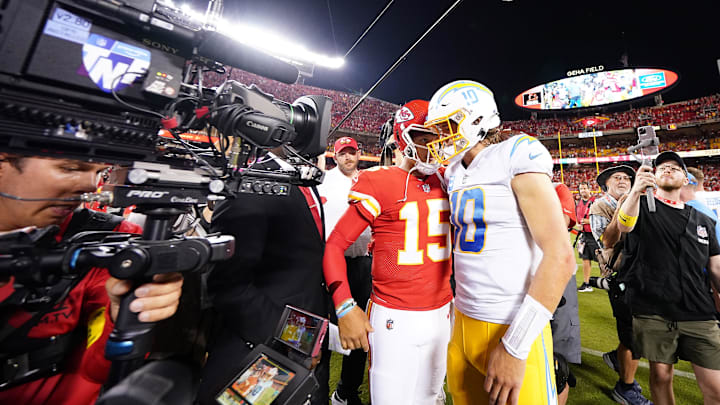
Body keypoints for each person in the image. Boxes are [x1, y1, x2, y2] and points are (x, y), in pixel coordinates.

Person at [424, 80, 575, 405]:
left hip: (508, 325)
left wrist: (515, 346)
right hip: (462, 321)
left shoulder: (516, 153)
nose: (441, 137)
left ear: (477, 120)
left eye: (448, 126)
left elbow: (561, 257)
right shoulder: (453, 171)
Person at [0, 155, 184, 405]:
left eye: (100, 171)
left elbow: (97, 370)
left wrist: (124, 318)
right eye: (70, 168)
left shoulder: (114, 242)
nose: (91, 185)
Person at [324, 100, 453, 405]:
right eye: (426, 138)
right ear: (404, 138)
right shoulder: (378, 181)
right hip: (395, 316)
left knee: (431, 398)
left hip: (441, 314)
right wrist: (344, 305)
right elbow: (334, 245)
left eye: (439, 138)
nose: (435, 147)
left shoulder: (450, 179)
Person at [197, 148, 330, 405]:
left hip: (304, 338)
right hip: (264, 343)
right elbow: (226, 284)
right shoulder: (253, 181)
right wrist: (295, 339)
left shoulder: (303, 176)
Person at [616, 151, 720, 405]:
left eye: (675, 167)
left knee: (716, 388)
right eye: (662, 167)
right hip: (654, 309)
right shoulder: (640, 208)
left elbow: (716, 268)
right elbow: (624, 226)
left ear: (686, 179)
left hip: (699, 311)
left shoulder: (704, 221)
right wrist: (636, 191)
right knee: (661, 377)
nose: (668, 170)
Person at [589, 164, 652, 405]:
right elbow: (607, 240)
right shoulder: (600, 206)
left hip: (641, 273)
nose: (624, 180)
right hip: (621, 276)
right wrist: (623, 208)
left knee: (643, 331)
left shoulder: (638, 201)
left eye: (627, 177)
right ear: (606, 183)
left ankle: (618, 358)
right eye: (617, 177)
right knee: (632, 335)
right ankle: (624, 387)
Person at [318, 136, 372, 405]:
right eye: (343, 154)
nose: (348, 158)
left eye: (352, 153)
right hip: (331, 262)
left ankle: (346, 392)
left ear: (359, 154)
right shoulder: (324, 180)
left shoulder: (369, 180)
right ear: (335, 156)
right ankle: (317, 392)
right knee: (325, 331)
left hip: (362, 264)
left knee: (361, 330)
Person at [551, 182, 580, 405]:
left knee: (558, 361)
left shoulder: (557, 188)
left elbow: (559, 226)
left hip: (555, 274)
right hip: (517, 278)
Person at [575, 181, 598, 292]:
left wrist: (588, 221)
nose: (583, 190)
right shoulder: (579, 203)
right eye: (581, 188)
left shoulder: (595, 202)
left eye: (585, 188)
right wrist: (578, 225)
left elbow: (603, 218)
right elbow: (577, 219)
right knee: (585, 259)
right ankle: (586, 283)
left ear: (589, 189)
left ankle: (609, 280)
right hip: (584, 235)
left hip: (595, 235)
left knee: (602, 260)